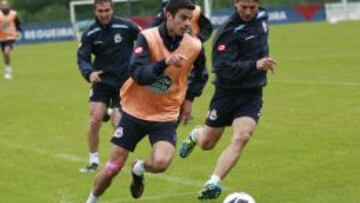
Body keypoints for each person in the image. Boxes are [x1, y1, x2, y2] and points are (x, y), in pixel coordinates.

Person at [85, 0, 208, 202]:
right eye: (183, 18)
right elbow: (137, 73)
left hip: (166, 114)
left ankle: (138, 168)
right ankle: (91, 200)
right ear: (169, 16)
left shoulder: (194, 45)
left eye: (190, 19)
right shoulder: (148, 37)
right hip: (134, 111)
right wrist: (164, 63)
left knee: (161, 163)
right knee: (112, 169)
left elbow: (201, 74)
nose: (187, 23)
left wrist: (189, 99)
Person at [179, 0, 277, 200]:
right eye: (244, 7)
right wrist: (254, 65)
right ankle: (196, 135)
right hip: (227, 94)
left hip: (252, 93)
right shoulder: (228, 31)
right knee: (207, 143)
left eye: (252, 7)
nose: (248, 12)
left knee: (242, 136)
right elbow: (222, 69)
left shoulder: (263, 16)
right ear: (235, 3)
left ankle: (213, 182)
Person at [77, 0, 141, 173]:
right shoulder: (90, 32)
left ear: (112, 9)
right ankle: (93, 161)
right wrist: (88, 72)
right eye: (100, 11)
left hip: (124, 83)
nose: (104, 14)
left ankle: (115, 163)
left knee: (118, 125)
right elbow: (82, 57)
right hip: (101, 81)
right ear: (95, 11)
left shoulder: (126, 26)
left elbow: (146, 40)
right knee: (94, 118)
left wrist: (142, 63)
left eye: (107, 10)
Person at [148, 0, 213, 43]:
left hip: (192, 46)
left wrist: (199, 38)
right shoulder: (164, 15)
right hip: (171, 47)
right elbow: (149, 31)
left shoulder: (195, 11)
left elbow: (207, 27)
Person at [0, 0, 21, 80]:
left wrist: (18, 31)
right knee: (5, 55)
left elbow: (18, 24)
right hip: (1, 37)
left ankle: (8, 71)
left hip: (11, 36)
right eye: (2, 5)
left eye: (6, 5)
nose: (4, 7)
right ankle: (8, 67)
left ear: (8, 6)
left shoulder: (13, 14)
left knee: (6, 51)